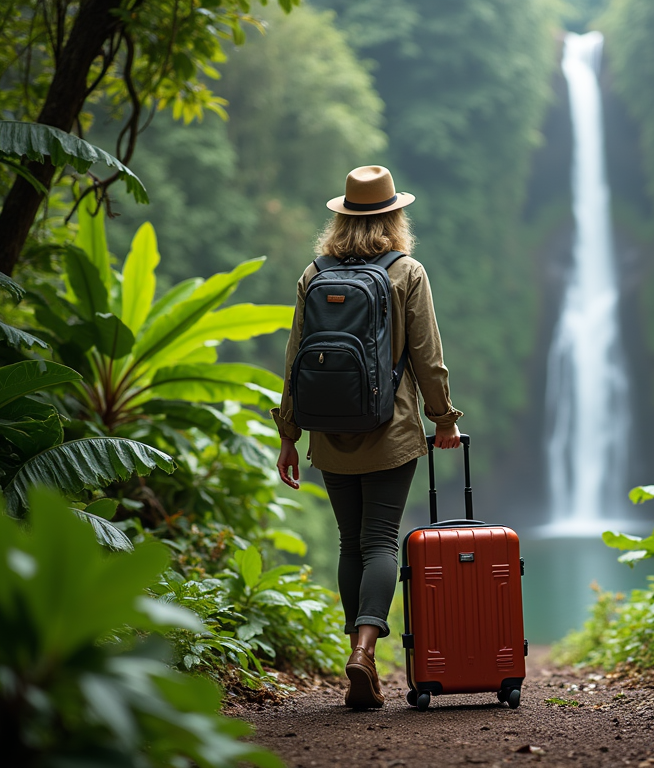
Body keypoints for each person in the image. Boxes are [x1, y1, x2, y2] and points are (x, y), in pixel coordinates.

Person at [272, 165, 463, 709]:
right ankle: (364, 651)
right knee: (380, 539)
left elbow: (294, 360)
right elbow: (427, 356)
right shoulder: (407, 272)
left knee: (348, 541)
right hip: (391, 426)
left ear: (341, 218)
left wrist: (289, 435)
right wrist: (444, 419)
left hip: (330, 429)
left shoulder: (315, 273)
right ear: (395, 215)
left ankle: (358, 660)